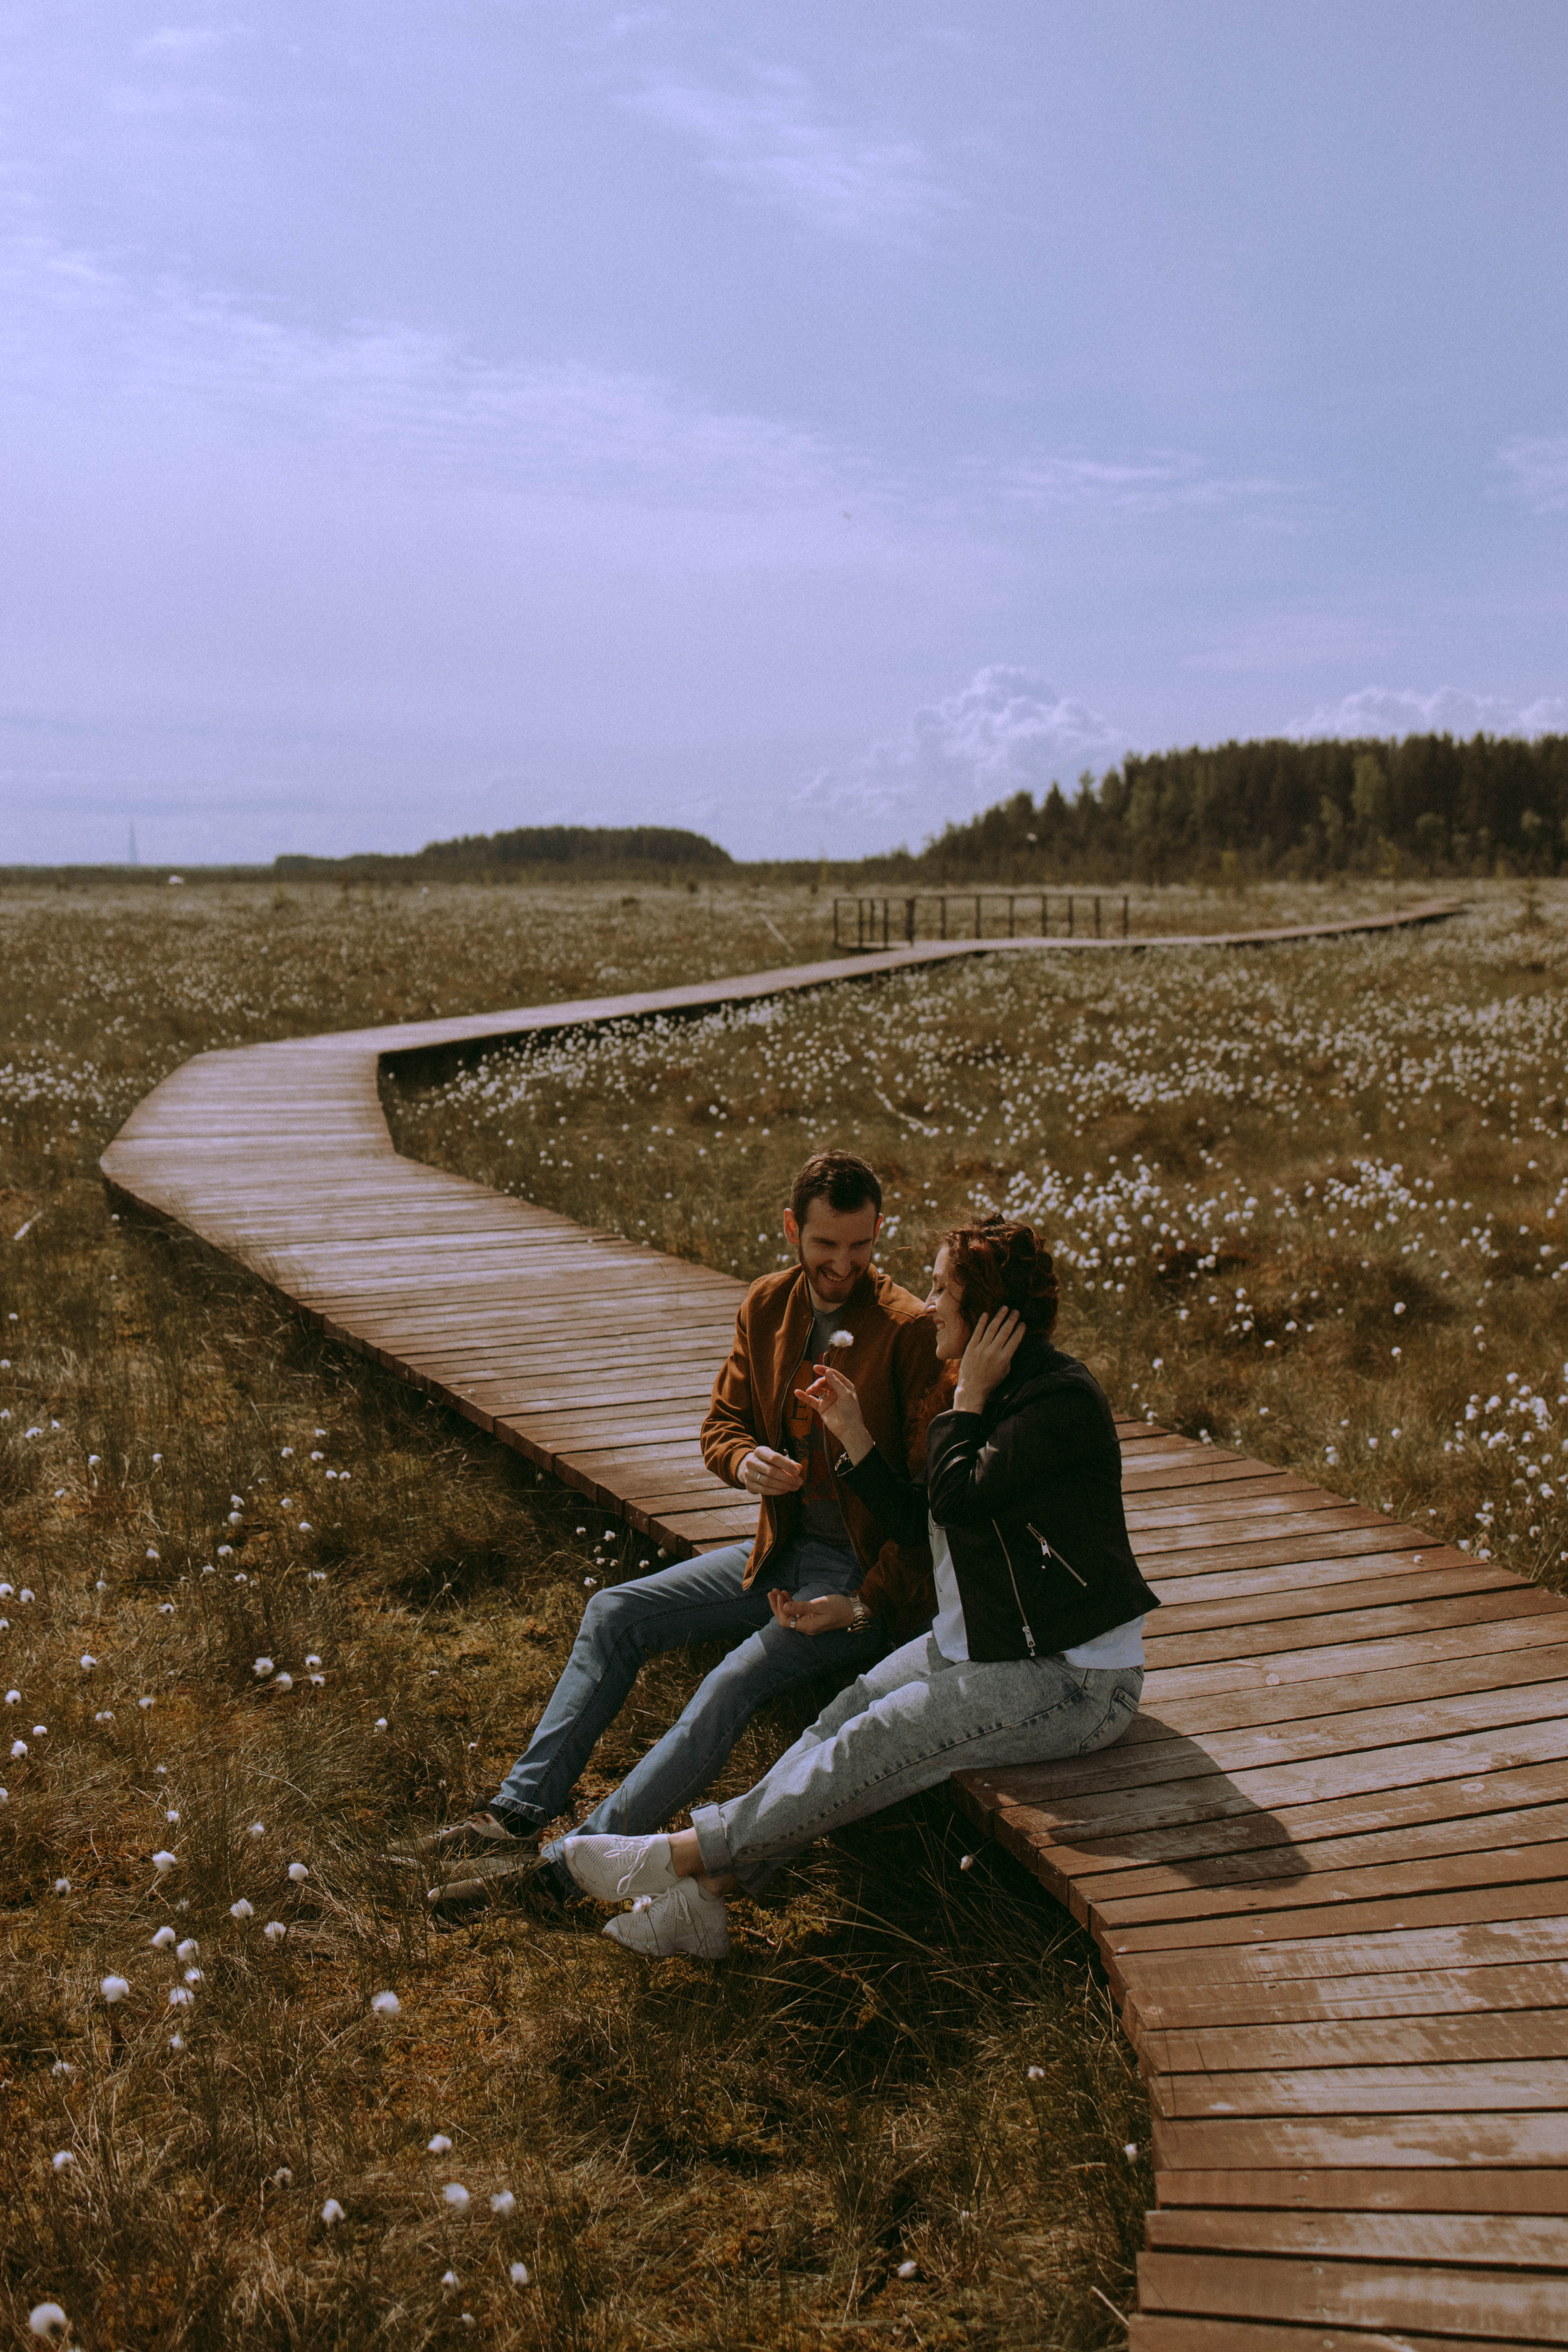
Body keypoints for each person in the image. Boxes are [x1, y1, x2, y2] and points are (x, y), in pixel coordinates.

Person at [547, 1217, 1158, 1958]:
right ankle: (706, 1900)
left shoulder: (1056, 1402)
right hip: (981, 1645)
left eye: (943, 1290)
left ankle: (675, 1856)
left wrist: (966, 1400)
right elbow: (920, 1524)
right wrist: (855, 1433)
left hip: (1075, 1679)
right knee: (842, 1716)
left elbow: (959, 1499)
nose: (927, 1305)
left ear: (988, 1312)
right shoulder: (986, 1395)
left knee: (877, 1739)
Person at [396, 1148, 938, 1915]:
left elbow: (925, 1517)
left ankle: (566, 1871)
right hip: (778, 1554)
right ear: (792, 1229)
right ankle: (514, 1814)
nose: (843, 1264)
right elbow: (721, 1425)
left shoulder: (910, 1331)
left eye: (861, 1245)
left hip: (860, 1584)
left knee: (732, 1681)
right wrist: (744, 1461)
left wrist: (861, 1607)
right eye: (825, 1245)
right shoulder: (767, 1303)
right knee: (614, 1612)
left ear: (879, 1231)